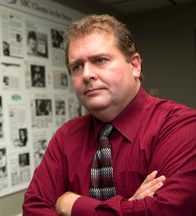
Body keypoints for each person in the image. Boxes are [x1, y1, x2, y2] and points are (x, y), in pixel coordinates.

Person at [22, 14, 196, 215]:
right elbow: (33, 208)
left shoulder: (182, 127)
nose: (87, 74)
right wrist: (130, 208)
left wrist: (71, 205)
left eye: (100, 60)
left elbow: (166, 211)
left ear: (135, 65)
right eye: (77, 66)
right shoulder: (65, 137)